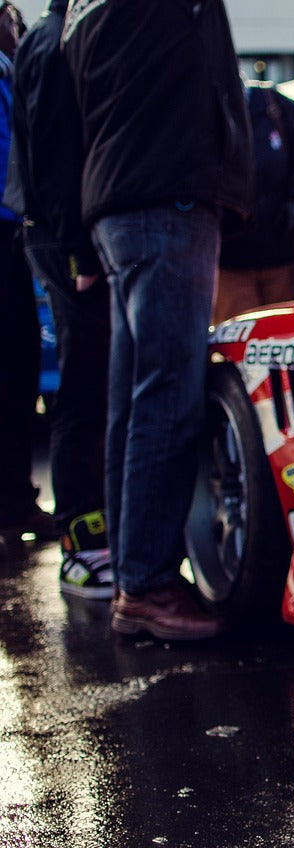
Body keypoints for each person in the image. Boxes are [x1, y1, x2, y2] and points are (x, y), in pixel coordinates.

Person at [63, 0, 252, 639]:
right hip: (163, 195)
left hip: (121, 200)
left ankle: (134, 575)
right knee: (166, 395)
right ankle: (146, 583)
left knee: (134, 402)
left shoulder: (83, 11)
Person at [10, 0, 111, 597]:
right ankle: (82, 542)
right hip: (63, 236)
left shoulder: (61, 35)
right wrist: (80, 251)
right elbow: (52, 158)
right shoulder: (53, 43)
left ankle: (94, 536)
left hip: (62, 232)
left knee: (94, 385)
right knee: (83, 388)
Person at [0, 1, 54, 561]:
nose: (16, 28)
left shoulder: (13, 70)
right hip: (7, 227)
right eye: (9, 20)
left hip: (15, 229)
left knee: (19, 370)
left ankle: (15, 500)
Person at [213, 79, 294, 324]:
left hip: (281, 250)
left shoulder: (273, 105)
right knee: (237, 332)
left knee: (287, 329)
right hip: (230, 259)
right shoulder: (208, 109)